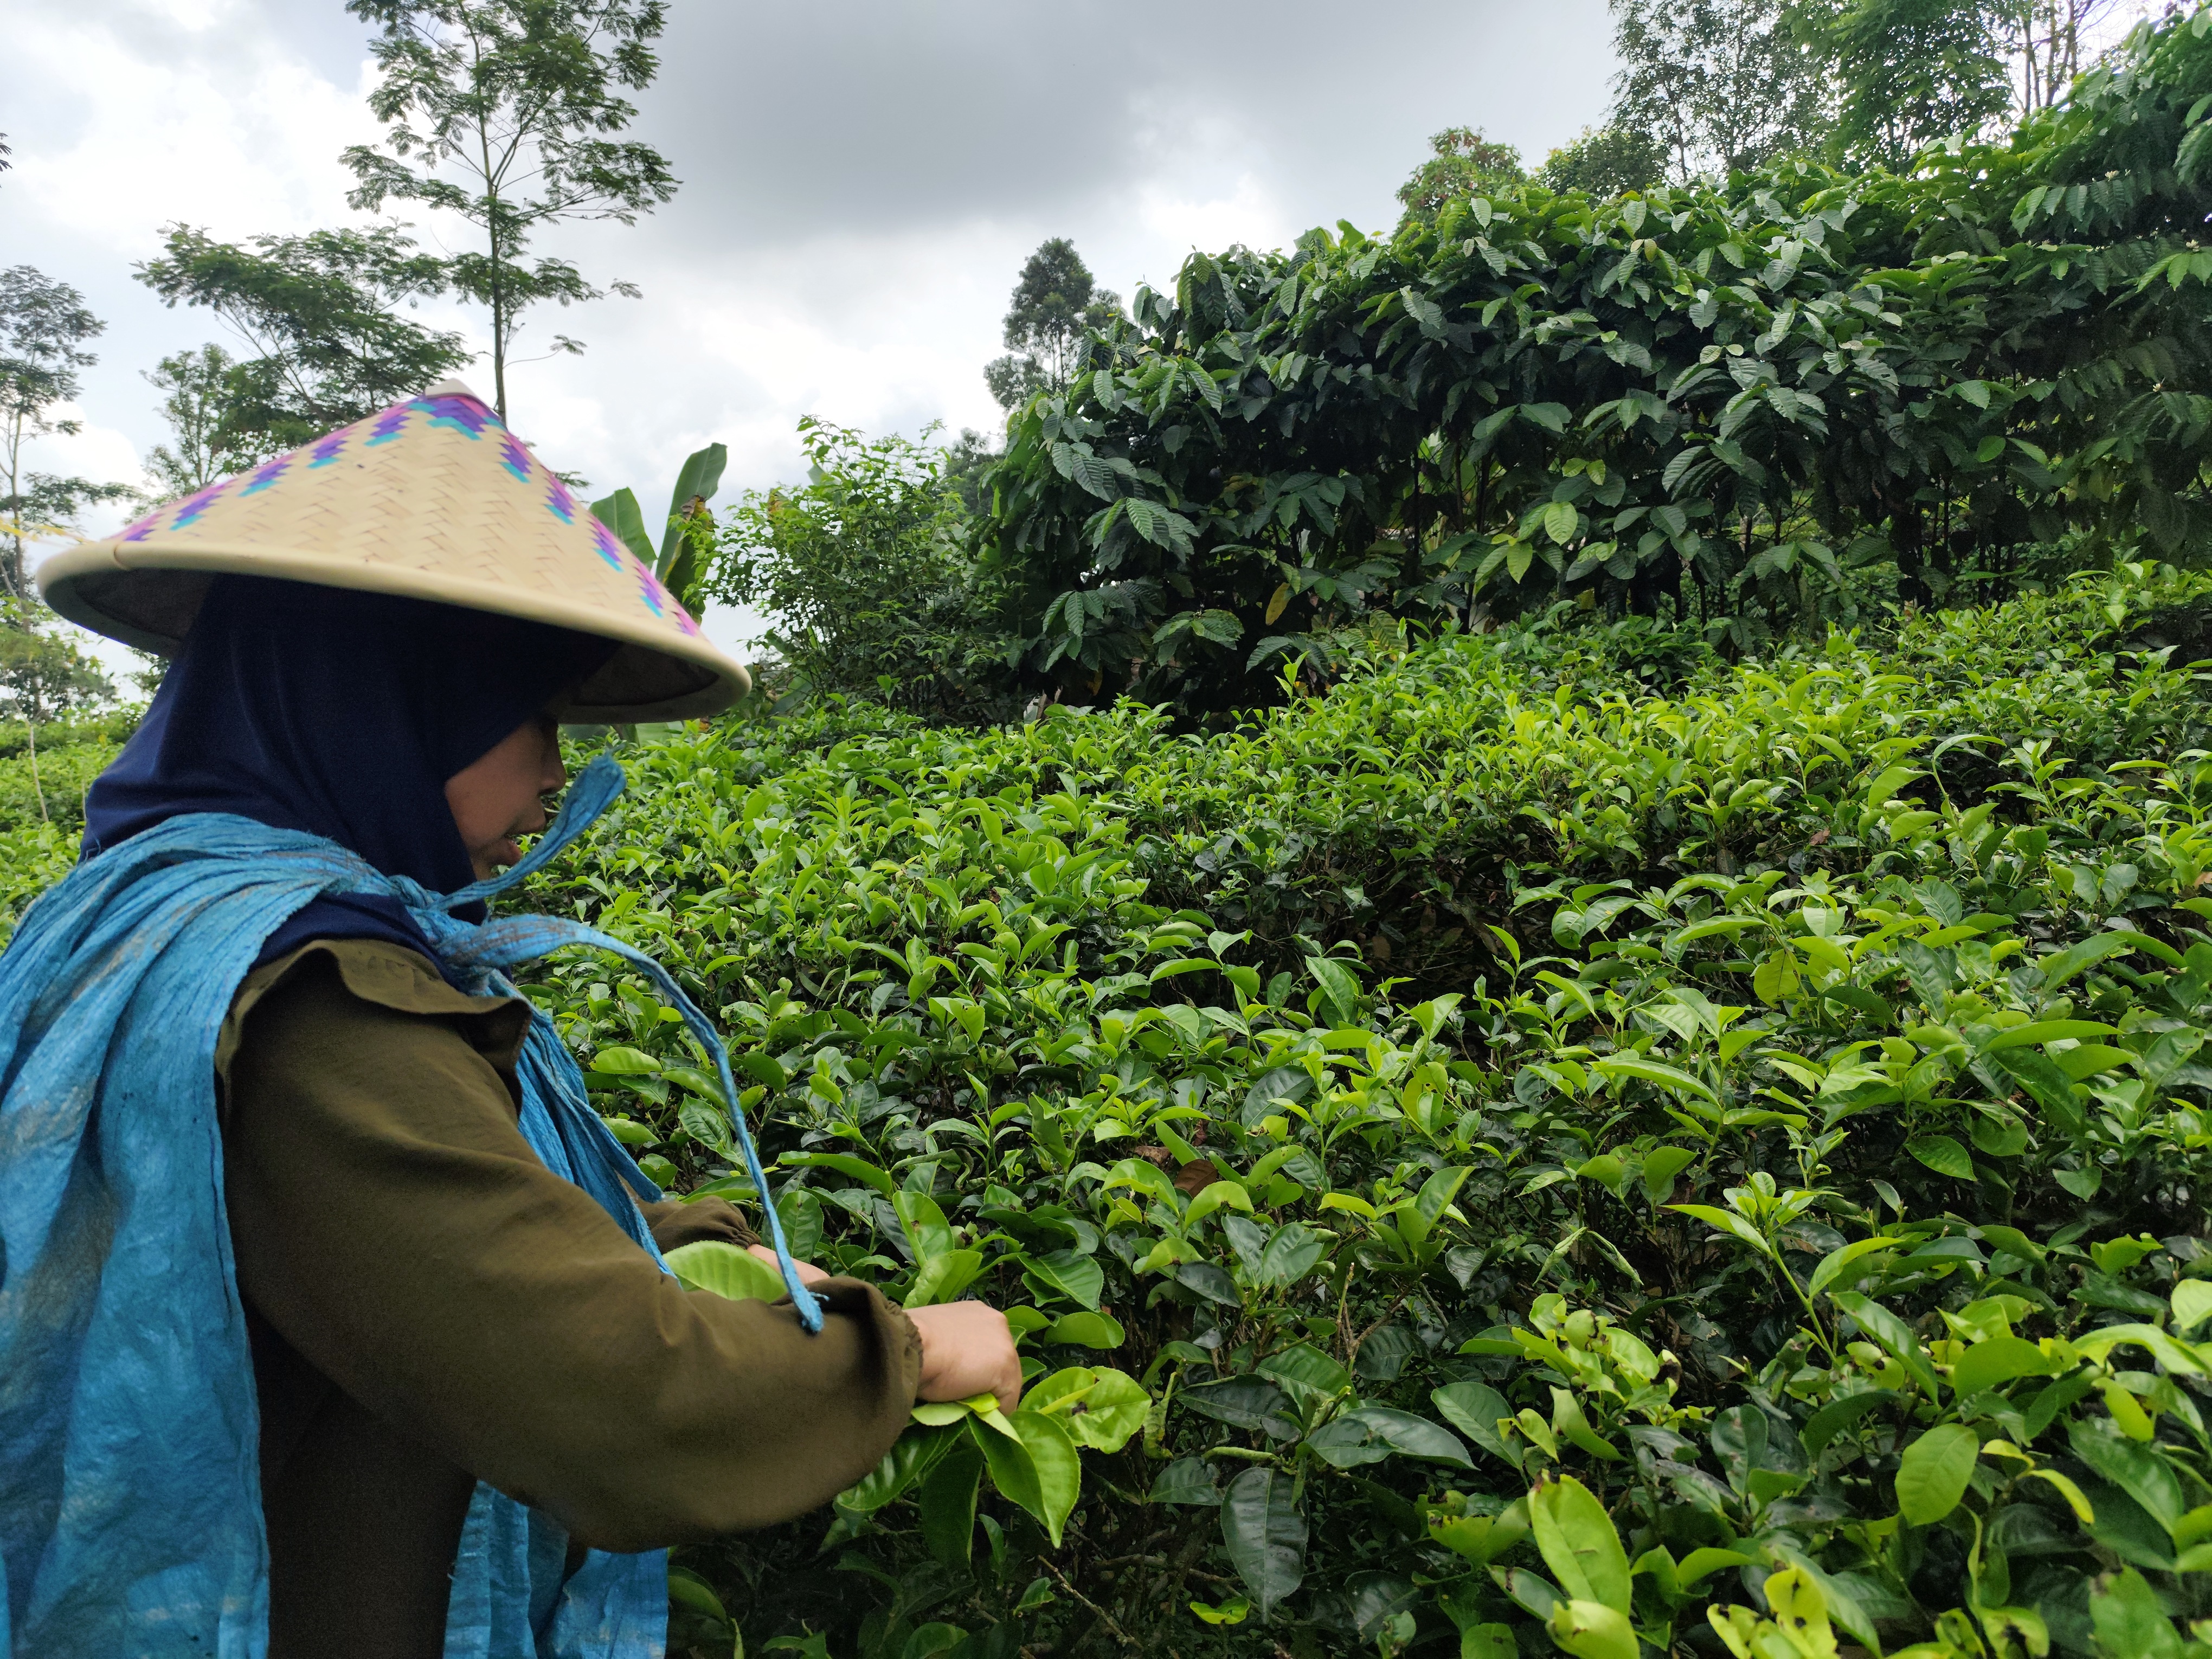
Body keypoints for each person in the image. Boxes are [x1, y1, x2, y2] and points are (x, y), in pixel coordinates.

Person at [0, 384, 1017, 1659]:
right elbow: (610, 1403)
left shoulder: (157, 914)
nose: (555, 768)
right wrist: (908, 1356)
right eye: (532, 716)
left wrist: (699, 1254)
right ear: (399, 699)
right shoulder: (312, 1005)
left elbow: (425, 1222)